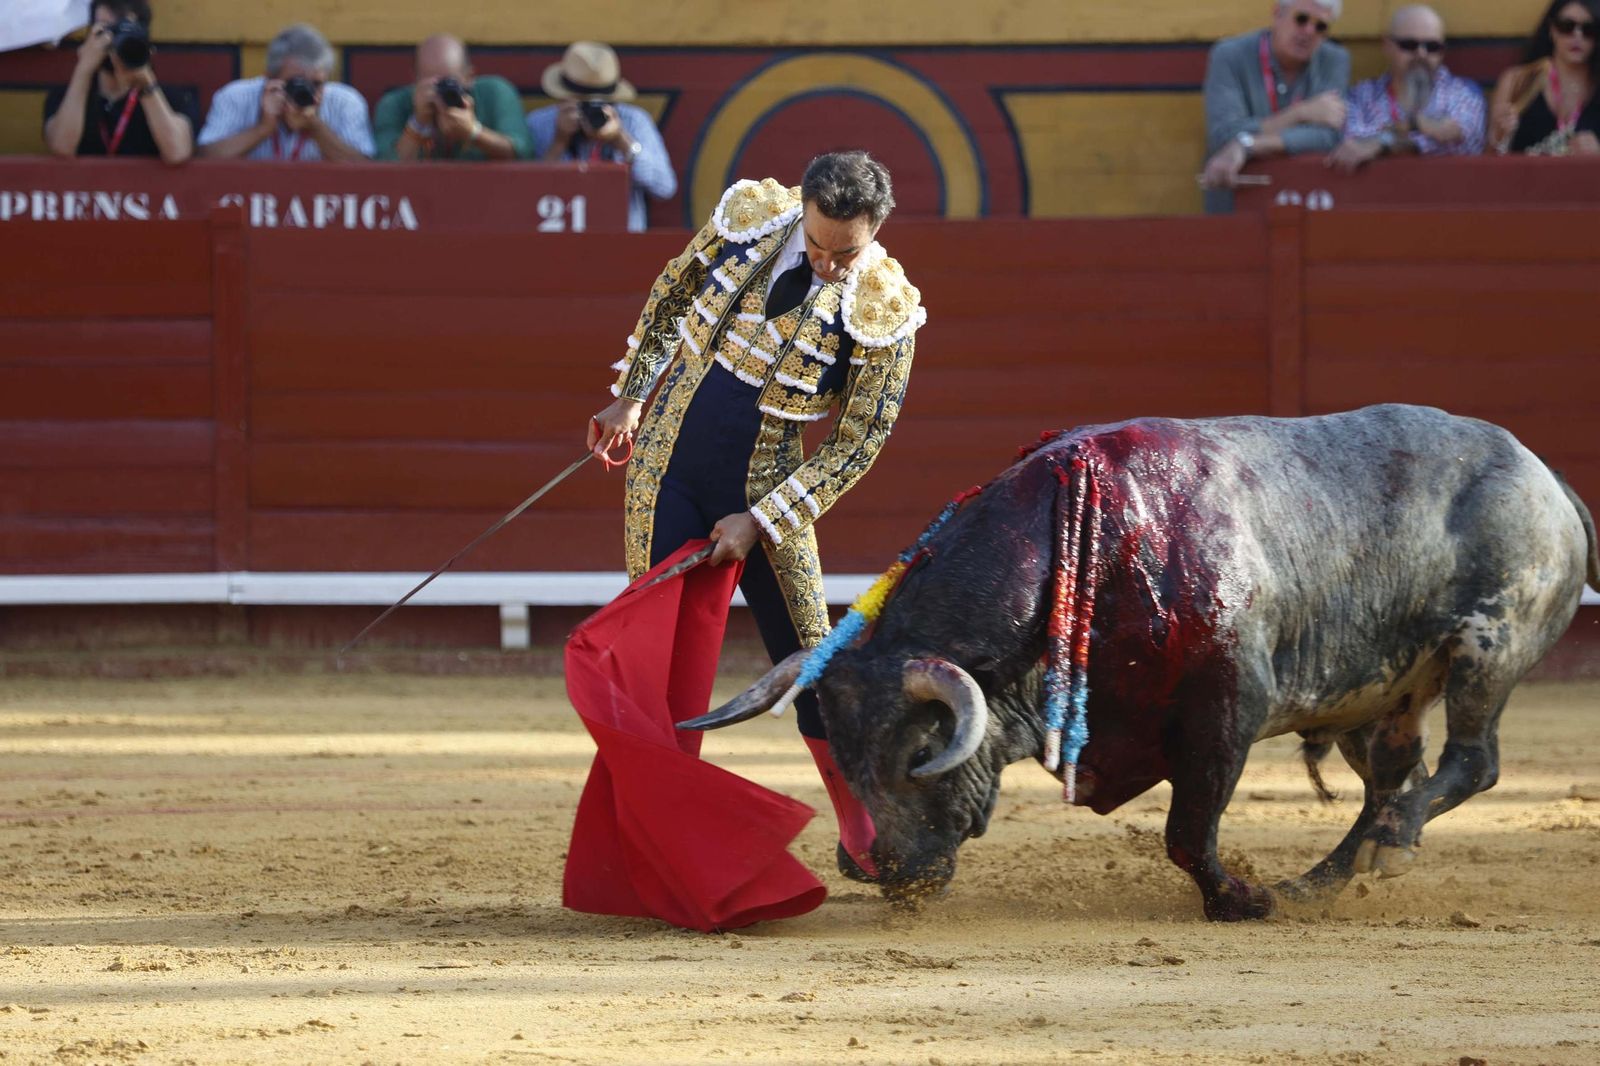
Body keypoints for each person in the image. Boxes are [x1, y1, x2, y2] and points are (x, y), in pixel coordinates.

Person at [586, 152, 924, 882]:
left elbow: (858, 442)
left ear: (875, 232)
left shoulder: (885, 305)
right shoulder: (751, 217)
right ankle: (662, 840)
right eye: (819, 246)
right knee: (659, 660)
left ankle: (862, 833)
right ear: (803, 210)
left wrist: (762, 520)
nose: (828, 265)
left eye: (847, 254)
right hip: (667, 464)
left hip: (768, 484)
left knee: (812, 658)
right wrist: (631, 394)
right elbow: (674, 290)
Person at [1200, 0, 1351, 210]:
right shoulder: (1230, 55)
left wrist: (1247, 145)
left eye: (1320, 26)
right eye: (1301, 19)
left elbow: (1328, 136)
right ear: (1277, 13)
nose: (1309, 31)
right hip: (1238, 197)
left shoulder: (1334, 59)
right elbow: (1224, 135)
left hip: (1306, 197)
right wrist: (1300, 113)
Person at [527, 41, 675, 231]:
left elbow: (665, 187)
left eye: (600, 103)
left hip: (621, 241)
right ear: (564, 97)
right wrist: (559, 142)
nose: (590, 110)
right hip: (557, 237)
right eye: (583, 103)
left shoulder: (633, 121)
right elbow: (527, 194)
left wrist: (621, 141)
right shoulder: (541, 123)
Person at [1326, 5, 1485, 173]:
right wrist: (1427, 130)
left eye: (1432, 47)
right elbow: (1354, 143)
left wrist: (1386, 140)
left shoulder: (1463, 93)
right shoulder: (1361, 95)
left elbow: (1462, 141)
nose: (1421, 54)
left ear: (1442, 52)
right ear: (1387, 46)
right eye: (1410, 45)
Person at [42, 0, 199, 163]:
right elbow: (62, 148)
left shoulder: (173, 99)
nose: (113, 40)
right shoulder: (67, 96)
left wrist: (145, 83)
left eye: (125, 30)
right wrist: (83, 69)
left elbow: (177, 152)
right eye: (105, 29)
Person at [197, 23, 373, 162]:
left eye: (316, 84)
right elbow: (206, 157)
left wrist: (315, 127)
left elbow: (365, 170)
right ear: (269, 78)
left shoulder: (345, 102)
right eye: (296, 83)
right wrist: (263, 129)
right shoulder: (236, 97)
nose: (307, 91)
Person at [372, 34, 532, 161]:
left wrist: (474, 133)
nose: (440, 92)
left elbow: (523, 153)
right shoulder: (394, 104)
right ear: (415, 78)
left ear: (469, 76)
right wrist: (417, 125)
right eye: (432, 83)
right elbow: (384, 171)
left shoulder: (494, 93)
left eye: (449, 83)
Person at [1489, 0, 1600, 155]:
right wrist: (1499, 137)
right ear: (1552, 29)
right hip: (1526, 170)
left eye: (1589, 29)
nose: (1577, 35)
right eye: (1566, 26)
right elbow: (1490, 156)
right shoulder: (1517, 80)